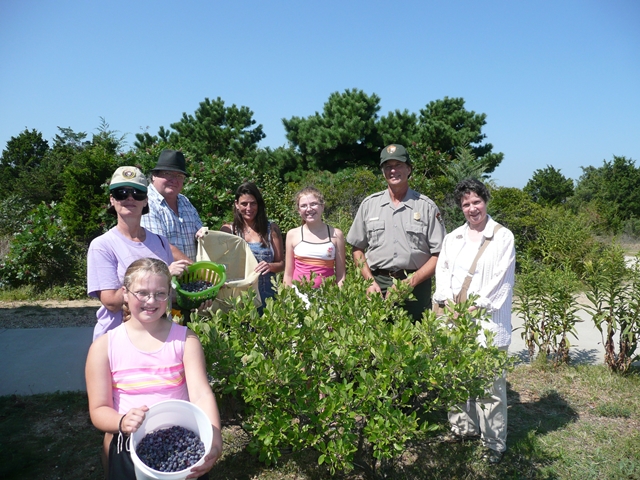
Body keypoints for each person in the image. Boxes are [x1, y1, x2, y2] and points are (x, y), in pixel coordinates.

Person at [85, 258, 223, 479]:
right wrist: (121, 421)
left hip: (182, 445)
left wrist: (215, 440)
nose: (151, 300)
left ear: (169, 295)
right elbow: (99, 409)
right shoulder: (103, 347)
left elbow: (201, 394)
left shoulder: (185, 340)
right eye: (142, 292)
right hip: (129, 448)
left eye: (160, 293)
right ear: (125, 293)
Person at [432, 178, 516, 464]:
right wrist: (445, 300)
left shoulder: (502, 236)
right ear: (460, 207)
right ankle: (462, 428)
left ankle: (494, 443)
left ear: (486, 201)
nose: (472, 208)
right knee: (457, 378)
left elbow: (500, 281)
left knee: (491, 386)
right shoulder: (452, 237)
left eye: (476, 202)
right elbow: (442, 271)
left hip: (487, 322)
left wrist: (472, 307)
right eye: (466, 204)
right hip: (454, 320)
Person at [87, 166, 190, 341]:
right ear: (112, 199)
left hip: (158, 338)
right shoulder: (102, 245)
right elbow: (111, 302)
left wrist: (193, 300)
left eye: (137, 193)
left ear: (145, 201)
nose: (129, 198)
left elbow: (167, 296)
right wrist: (163, 273)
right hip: (117, 340)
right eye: (121, 193)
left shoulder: (160, 242)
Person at [346, 144, 446, 321]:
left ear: (408, 169)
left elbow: (440, 254)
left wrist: (411, 282)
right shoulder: (369, 205)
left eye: (398, 165)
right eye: (388, 166)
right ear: (383, 171)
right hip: (378, 284)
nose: (393, 170)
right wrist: (369, 282)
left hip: (417, 285)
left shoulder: (426, 206)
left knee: (416, 341)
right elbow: (357, 249)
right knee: (376, 342)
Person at [220, 183, 284, 311]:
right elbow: (220, 263)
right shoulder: (229, 230)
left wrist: (270, 266)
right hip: (238, 297)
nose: (249, 208)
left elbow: (281, 264)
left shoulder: (271, 229)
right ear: (236, 205)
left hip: (267, 297)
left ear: (259, 204)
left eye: (253, 203)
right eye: (244, 204)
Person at [140, 149, 208, 263]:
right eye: (167, 174)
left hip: (190, 277)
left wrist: (202, 234)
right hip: (163, 277)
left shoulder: (184, 201)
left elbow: (200, 231)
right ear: (154, 176)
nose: (174, 180)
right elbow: (160, 245)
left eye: (179, 176)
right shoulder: (145, 202)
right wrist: (198, 271)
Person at [283, 186, 345, 288]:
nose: (309, 209)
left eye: (313, 204)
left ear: (322, 206)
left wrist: (340, 299)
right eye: (303, 206)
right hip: (298, 299)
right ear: (298, 210)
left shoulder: (336, 234)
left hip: (327, 297)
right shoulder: (292, 234)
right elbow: (288, 274)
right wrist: (285, 299)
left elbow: (341, 275)